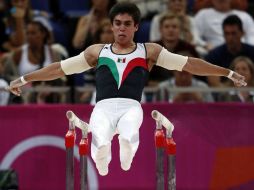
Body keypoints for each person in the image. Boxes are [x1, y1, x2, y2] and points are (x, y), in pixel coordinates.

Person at [7, 2, 246, 176]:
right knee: (99, 138)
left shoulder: (148, 51)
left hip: (132, 107)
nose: (121, 29)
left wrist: (227, 72)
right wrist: (25, 78)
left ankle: (126, 149)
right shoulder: (96, 52)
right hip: (102, 107)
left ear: (136, 27)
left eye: (127, 24)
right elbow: (59, 69)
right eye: (117, 24)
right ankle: (103, 153)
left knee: (129, 133)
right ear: (111, 26)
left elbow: (190, 64)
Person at [205, 15, 254, 87]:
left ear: (242, 33)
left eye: (233, 33)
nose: (230, 37)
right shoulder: (214, 56)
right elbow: (215, 85)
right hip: (225, 96)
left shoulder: (252, 52)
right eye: (227, 34)